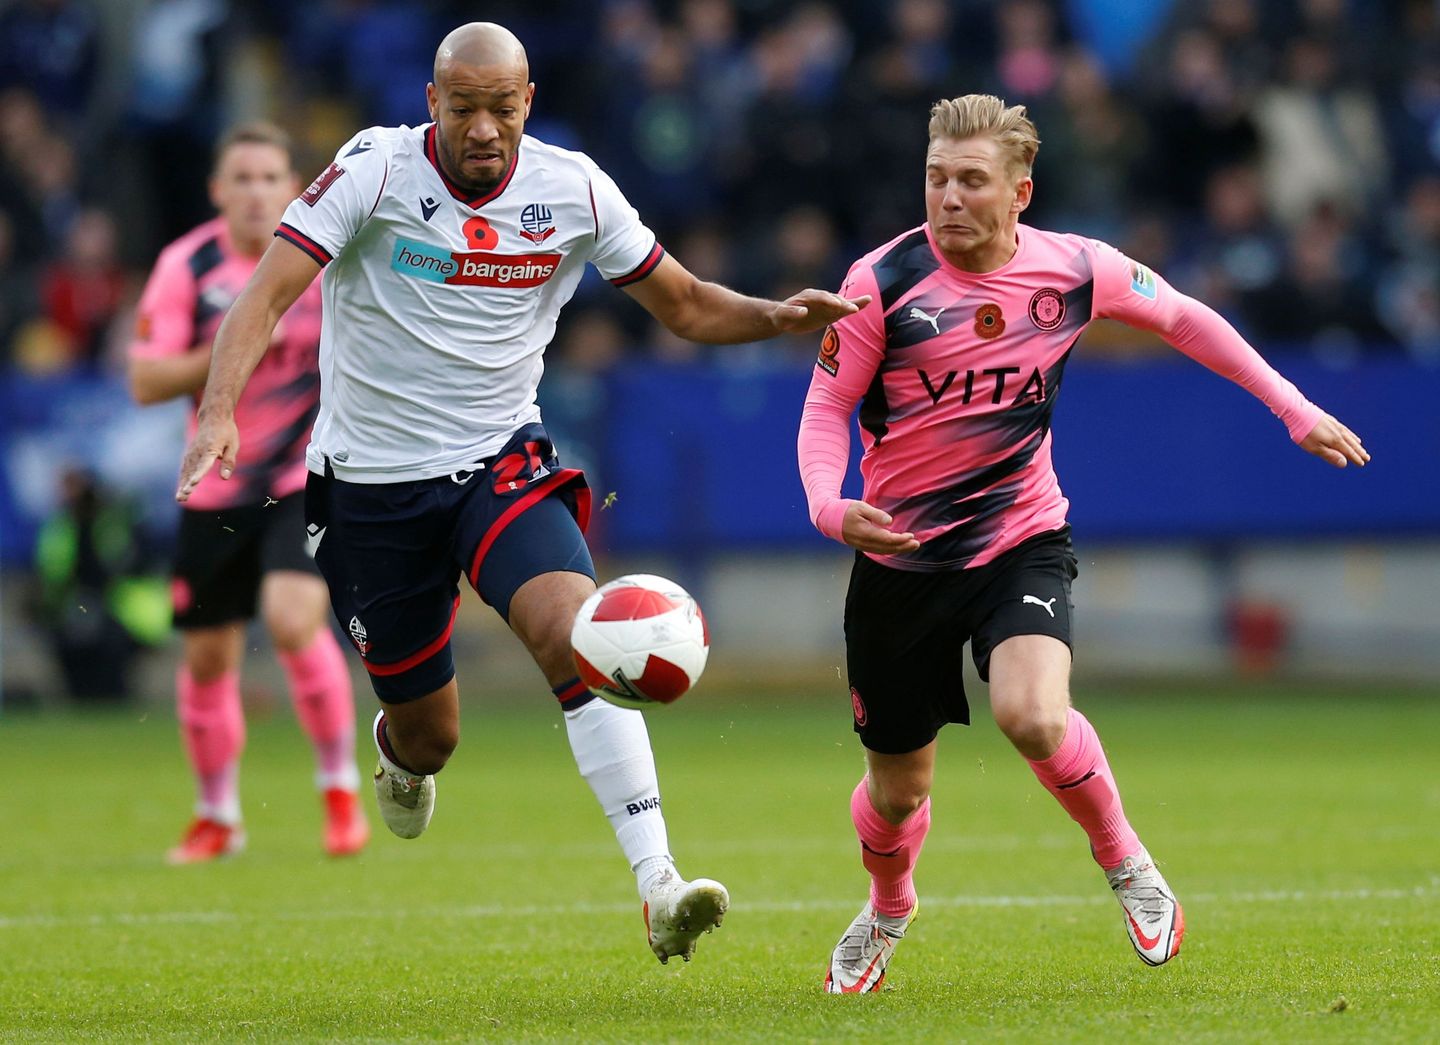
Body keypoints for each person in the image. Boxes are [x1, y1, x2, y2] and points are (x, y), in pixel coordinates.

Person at [174, 23, 865, 964]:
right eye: (466, 107)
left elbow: (687, 301)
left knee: (576, 634)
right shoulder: (374, 170)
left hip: (501, 462)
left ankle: (659, 882)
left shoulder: (572, 189)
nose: (486, 127)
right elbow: (265, 295)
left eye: (503, 107)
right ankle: (398, 746)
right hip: (372, 489)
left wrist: (775, 316)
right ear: (433, 104)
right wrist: (221, 411)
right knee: (431, 734)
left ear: (527, 103)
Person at [797, 94, 1369, 993]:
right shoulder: (880, 283)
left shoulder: (1075, 269)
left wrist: (1293, 408)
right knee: (900, 790)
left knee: (1033, 714)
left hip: (1021, 535)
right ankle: (890, 903)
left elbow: (1185, 318)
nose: (948, 197)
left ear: (1020, 191)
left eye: (971, 181)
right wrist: (829, 507)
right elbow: (827, 408)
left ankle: (1126, 859)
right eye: (937, 178)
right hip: (901, 558)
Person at [129, 122, 369, 864]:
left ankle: (340, 792)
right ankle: (218, 815)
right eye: (243, 178)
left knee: (293, 618)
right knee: (206, 660)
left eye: (272, 177)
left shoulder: (321, 259)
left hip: (304, 476)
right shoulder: (186, 264)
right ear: (217, 191)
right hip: (213, 484)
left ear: (293, 187)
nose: (258, 191)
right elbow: (145, 379)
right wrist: (239, 333)